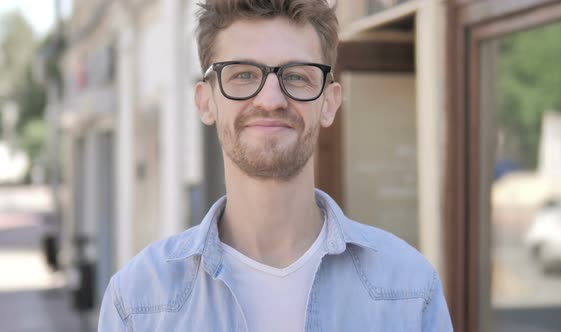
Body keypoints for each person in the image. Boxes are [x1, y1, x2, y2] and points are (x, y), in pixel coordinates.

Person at [98, 0, 453, 331]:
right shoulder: (138, 301)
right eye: (242, 75)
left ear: (329, 103)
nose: (270, 100)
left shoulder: (409, 289)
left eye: (297, 76)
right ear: (205, 102)